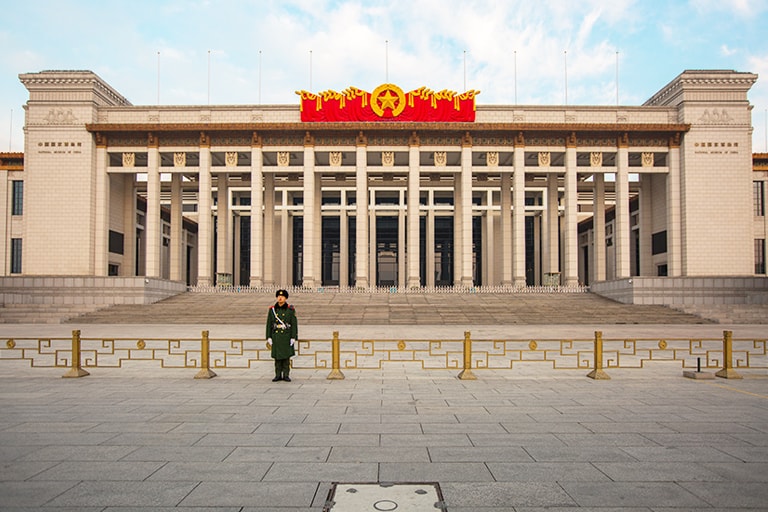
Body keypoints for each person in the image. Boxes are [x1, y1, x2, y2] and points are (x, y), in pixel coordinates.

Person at [266, 289, 297, 382]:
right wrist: (268, 337)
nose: (280, 298)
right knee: (277, 358)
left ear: (286, 298)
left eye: (282, 297)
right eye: (279, 296)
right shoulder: (272, 310)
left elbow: (294, 324)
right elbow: (269, 324)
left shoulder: (290, 310)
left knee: (286, 358)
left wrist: (293, 337)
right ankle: (278, 374)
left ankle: (286, 375)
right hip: (276, 336)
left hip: (286, 336)